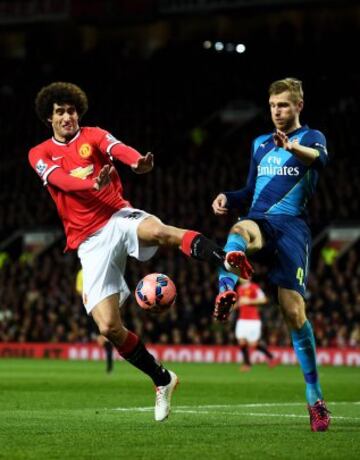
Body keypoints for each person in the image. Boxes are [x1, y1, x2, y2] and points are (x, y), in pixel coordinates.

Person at [29, 81, 244, 422]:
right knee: (109, 327)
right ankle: (163, 379)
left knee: (159, 231)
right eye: (60, 112)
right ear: (49, 118)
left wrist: (136, 163)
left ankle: (226, 260)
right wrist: (90, 183)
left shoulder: (93, 134)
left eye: (71, 110)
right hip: (87, 241)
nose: (67, 117)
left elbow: (117, 148)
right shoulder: (39, 153)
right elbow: (62, 182)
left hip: (117, 215)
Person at [212, 78, 331, 431]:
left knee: (294, 313)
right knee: (238, 230)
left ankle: (316, 399)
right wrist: (228, 198)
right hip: (260, 221)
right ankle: (225, 288)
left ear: (298, 106)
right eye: (273, 106)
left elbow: (320, 161)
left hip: (293, 228)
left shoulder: (312, 138)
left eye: (284, 105)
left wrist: (292, 148)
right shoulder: (260, 144)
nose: (277, 111)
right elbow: (250, 190)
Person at [234, 278, 278, 371]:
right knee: (241, 341)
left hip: (253, 320)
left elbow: (264, 299)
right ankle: (247, 364)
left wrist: (249, 301)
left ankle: (271, 358)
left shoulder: (254, 287)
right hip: (242, 319)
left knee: (253, 344)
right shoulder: (239, 289)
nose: (240, 277)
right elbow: (240, 302)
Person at [76, 268, 114, 373]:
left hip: (100, 305)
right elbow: (79, 289)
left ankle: (109, 362)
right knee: (99, 337)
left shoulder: (98, 269)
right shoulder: (81, 273)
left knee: (103, 335)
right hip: (88, 306)